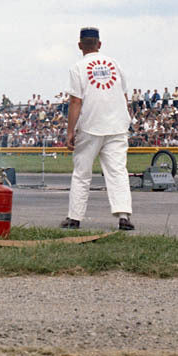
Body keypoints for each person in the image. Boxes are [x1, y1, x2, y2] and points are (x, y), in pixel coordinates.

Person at [62, 26, 134, 231]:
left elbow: (75, 101)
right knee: (118, 172)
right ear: (99, 44)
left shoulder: (78, 68)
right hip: (117, 125)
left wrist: (70, 131)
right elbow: (124, 96)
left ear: (79, 45)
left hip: (91, 126)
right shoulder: (115, 64)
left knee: (82, 173)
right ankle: (124, 217)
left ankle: (74, 218)